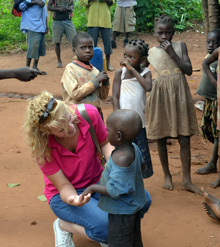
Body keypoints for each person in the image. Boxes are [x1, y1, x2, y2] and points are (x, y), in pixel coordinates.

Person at [24, 91, 114, 247]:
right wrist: (74, 199)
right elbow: (64, 186)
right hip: (65, 195)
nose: (71, 129)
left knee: (138, 201)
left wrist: (115, 167)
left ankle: (97, 224)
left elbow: (104, 144)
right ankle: (64, 225)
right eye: (61, 130)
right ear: (47, 132)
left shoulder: (89, 114)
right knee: (108, 228)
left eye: (69, 119)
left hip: (96, 181)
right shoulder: (43, 149)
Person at [81, 109, 151, 247]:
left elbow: (115, 191)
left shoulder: (120, 158)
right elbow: (142, 166)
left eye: (108, 129)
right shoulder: (132, 148)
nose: (105, 131)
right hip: (133, 206)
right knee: (129, 240)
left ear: (118, 136)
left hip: (122, 211)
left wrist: (92, 188)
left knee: (120, 244)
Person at [146, 15, 201, 194]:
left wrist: (172, 53)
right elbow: (139, 66)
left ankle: (186, 179)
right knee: (161, 137)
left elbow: (188, 69)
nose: (164, 36)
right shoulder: (150, 52)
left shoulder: (180, 46)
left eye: (168, 32)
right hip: (161, 95)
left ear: (173, 33)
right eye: (160, 33)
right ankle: (167, 175)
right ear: (154, 33)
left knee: (184, 137)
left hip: (180, 95)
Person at [113, 38, 153, 179]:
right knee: (124, 154)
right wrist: (117, 117)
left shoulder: (145, 73)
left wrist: (133, 70)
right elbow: (115, 97)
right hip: (123, 124)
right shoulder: (120, 73)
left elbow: (148, 87)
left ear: (142, 59)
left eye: (132, 57)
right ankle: (124, 182)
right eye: (125, 55)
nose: (127, 59)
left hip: (139, 124)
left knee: (141, 155)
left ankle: (139, 185)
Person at [61, 32, 110, 118]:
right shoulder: (71, 69)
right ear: (74, 50)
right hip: (77, 116)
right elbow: (75, 94)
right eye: (83, 47)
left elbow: (102, 96)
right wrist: (95, 81)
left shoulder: (95, 71)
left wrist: (106, 83)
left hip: (95, 115)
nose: (87, 50)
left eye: (90, 47)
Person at [195, 29, 220, 176]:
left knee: (217, 133)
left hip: (217, 102)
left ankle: (212, 163)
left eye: (215, 42)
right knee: (209, 130)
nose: (211, 45)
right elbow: (205, 65)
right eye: (208, 42)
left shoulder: (217, 59)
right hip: (210, 101)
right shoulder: (210, 57)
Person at [79, 0, 115, 71]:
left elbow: (112, 2)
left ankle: (108, 64)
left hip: (105, 19)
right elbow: (82, 2)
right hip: (92, 20)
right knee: (91, 44)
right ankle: (90, 63)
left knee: (107, 43)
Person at [19, 0, 48, 71]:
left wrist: (46, 25)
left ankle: (35, 66)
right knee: (33, 46)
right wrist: (36, 2)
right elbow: (21, 6)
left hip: (41, 25)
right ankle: (27, 68)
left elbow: (45, 13)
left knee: (39, 47)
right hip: (32, 25)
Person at [47, 0, 76, 68]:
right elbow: (48, 7)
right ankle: (59, 61)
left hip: (68, 20)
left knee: (75, 40)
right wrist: (58, 9)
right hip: (57, 21)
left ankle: (77, 59)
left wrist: (70, 8)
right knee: (57, 42)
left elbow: (72, 5)